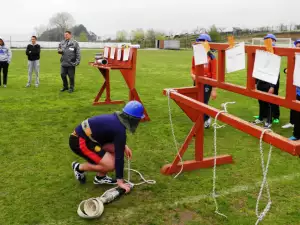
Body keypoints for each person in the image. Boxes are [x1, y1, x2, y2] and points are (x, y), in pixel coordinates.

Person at [69, 101, 144, 193]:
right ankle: (79, 167)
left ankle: (100, 177)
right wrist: (120, 182)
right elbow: (119, 157)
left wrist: (124, 146)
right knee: (111, 165)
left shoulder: (117, 119)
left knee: (115, 152)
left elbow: (110, 135)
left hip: (91, 139)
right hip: (79, 141)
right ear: (133, 119)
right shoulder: (119, 130)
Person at [253, 34, 280, 128]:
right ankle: (261, 117)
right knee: (261, 101)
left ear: (274, 41)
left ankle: (269, 120)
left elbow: (276, 72)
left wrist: (272, 86)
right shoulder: (262, 53)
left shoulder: (275, 54)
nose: (268, 42)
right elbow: (258, 68)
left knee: (270, 102)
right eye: (266, 40)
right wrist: (256, 83)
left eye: (270, 40)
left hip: (270, 82)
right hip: (261, 81)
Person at [190, 33, 217, 129]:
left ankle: (206, 118)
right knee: (196, 101)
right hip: (197, 82)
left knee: (203, 102)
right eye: (198, 41)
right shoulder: (196, 56)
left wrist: (214, 89)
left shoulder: (212, 58)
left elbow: (214, 74)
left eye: (202, 42)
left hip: (207, 83)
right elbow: (193, 68)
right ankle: (199, 119)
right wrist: (192, 74)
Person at [282, 39, 300, 129]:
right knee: (293, 107)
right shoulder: (295, 58)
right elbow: (287, 69)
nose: (297, 48)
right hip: (295, 88)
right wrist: (286, 70)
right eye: (296, 46)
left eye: (299, 46)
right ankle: (292, 122)